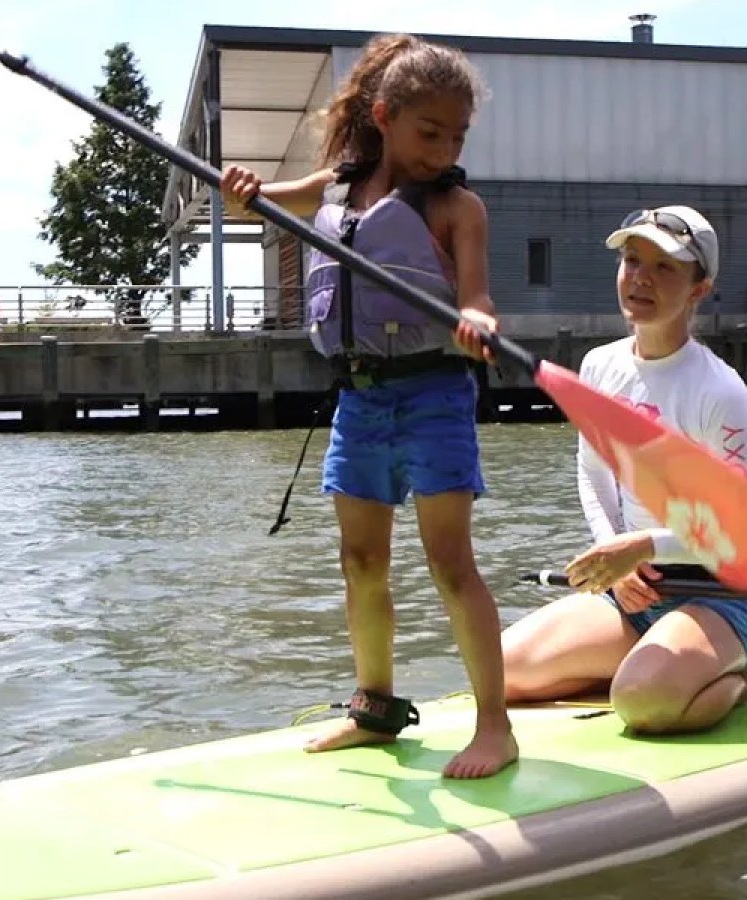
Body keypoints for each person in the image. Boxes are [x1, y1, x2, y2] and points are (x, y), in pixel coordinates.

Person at [219, 33, 516, 779]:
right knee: (360, 562)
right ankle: (375, 710)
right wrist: (240, 189)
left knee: (452, 565)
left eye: (457, 135)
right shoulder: (337, 186)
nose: (444, 149)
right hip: (360, 400)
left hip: (434, 395)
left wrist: (478, 320)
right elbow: (262, 203)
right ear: (384, 116)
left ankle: (494, 727)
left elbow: (476, 296)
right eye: (429, 132)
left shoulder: (459, 206)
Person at [501, 206, 747, 734]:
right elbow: (592, 471)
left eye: (664, 268)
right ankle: (654, 662)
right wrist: (619, 559)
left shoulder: (721, 393)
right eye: (632, 261)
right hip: (635, 588)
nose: (640, 279)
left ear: (699, 288)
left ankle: (744, 677)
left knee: (642, 705)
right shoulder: (598, 367)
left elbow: (740, 532)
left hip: (724, 593)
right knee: (497, 674)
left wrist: (641, 547)